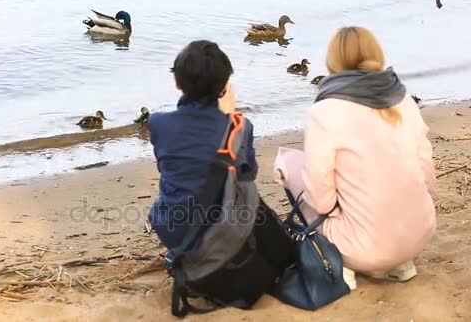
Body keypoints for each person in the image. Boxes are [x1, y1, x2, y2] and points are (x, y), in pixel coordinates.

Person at [273, 27, 436, 290]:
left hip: (364, 248)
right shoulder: (403, 99)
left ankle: (342, 265)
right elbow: (428, 176)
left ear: (333, 61)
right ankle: (400, 263)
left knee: (287, 163)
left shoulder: (325, 111)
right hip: (419, 234)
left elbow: (321, 200)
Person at [146, 40, 256, 248]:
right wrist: (231, 118)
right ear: (224, 87)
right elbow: (247, 174)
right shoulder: (241, 127)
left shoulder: (158, 123)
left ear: (177, 83)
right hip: (224, 230)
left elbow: (168, 166)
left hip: (173, 229)